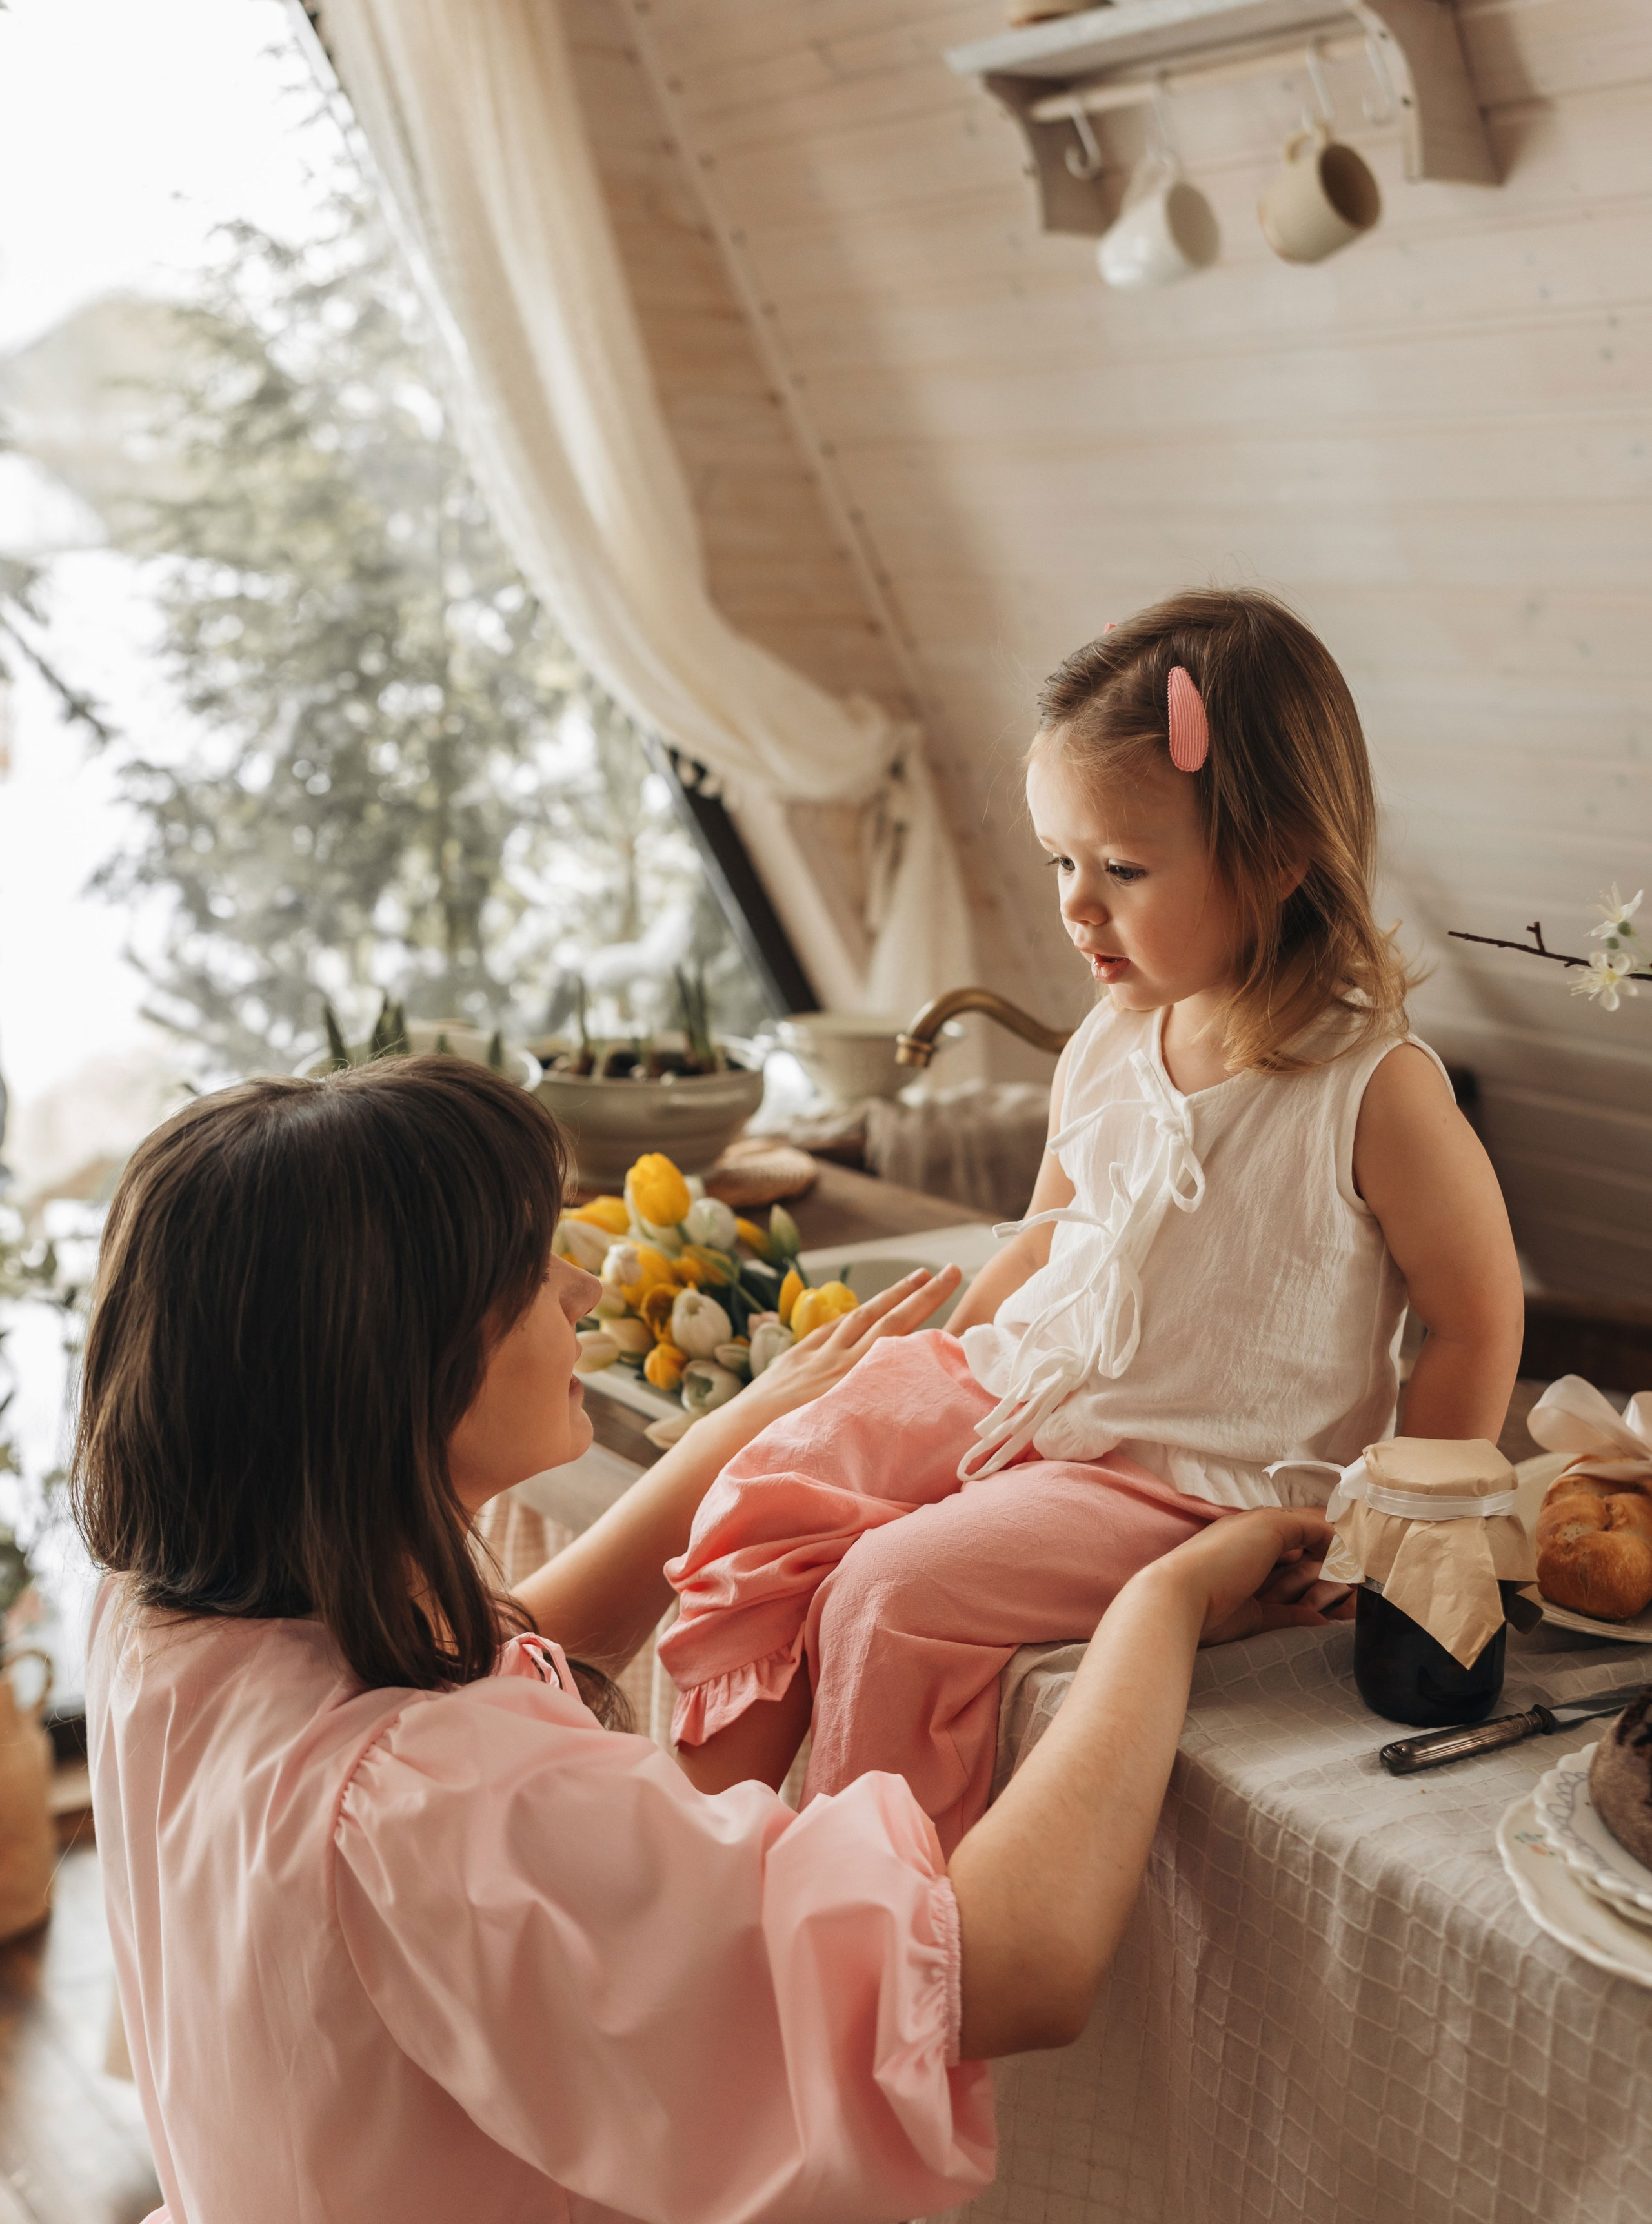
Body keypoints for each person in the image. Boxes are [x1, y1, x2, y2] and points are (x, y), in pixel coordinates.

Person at [78, 1056, 1338, 2224]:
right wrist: (1158, 1607)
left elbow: (517, 1649)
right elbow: (1005, 1964)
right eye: (530, 1272)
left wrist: (739, 1432)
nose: (580, 1289)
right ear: (396, 1369)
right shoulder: (443, 1801)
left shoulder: (167, 1625)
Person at [663, 589, 1526, 1848]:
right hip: (1035, 1395)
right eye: (1061, 862)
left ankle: (877, 1931)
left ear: (1277, 856)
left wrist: (1394, 1546)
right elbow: (1044, 1235)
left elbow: (1471, 1319)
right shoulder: (1114, 1035)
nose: (1075, 907)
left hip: (1189, 1481)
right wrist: (926, 1373)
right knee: (776, 1473)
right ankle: (699, 1849)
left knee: (887, 1592)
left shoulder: (1372, 1088)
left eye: (1120, 870)